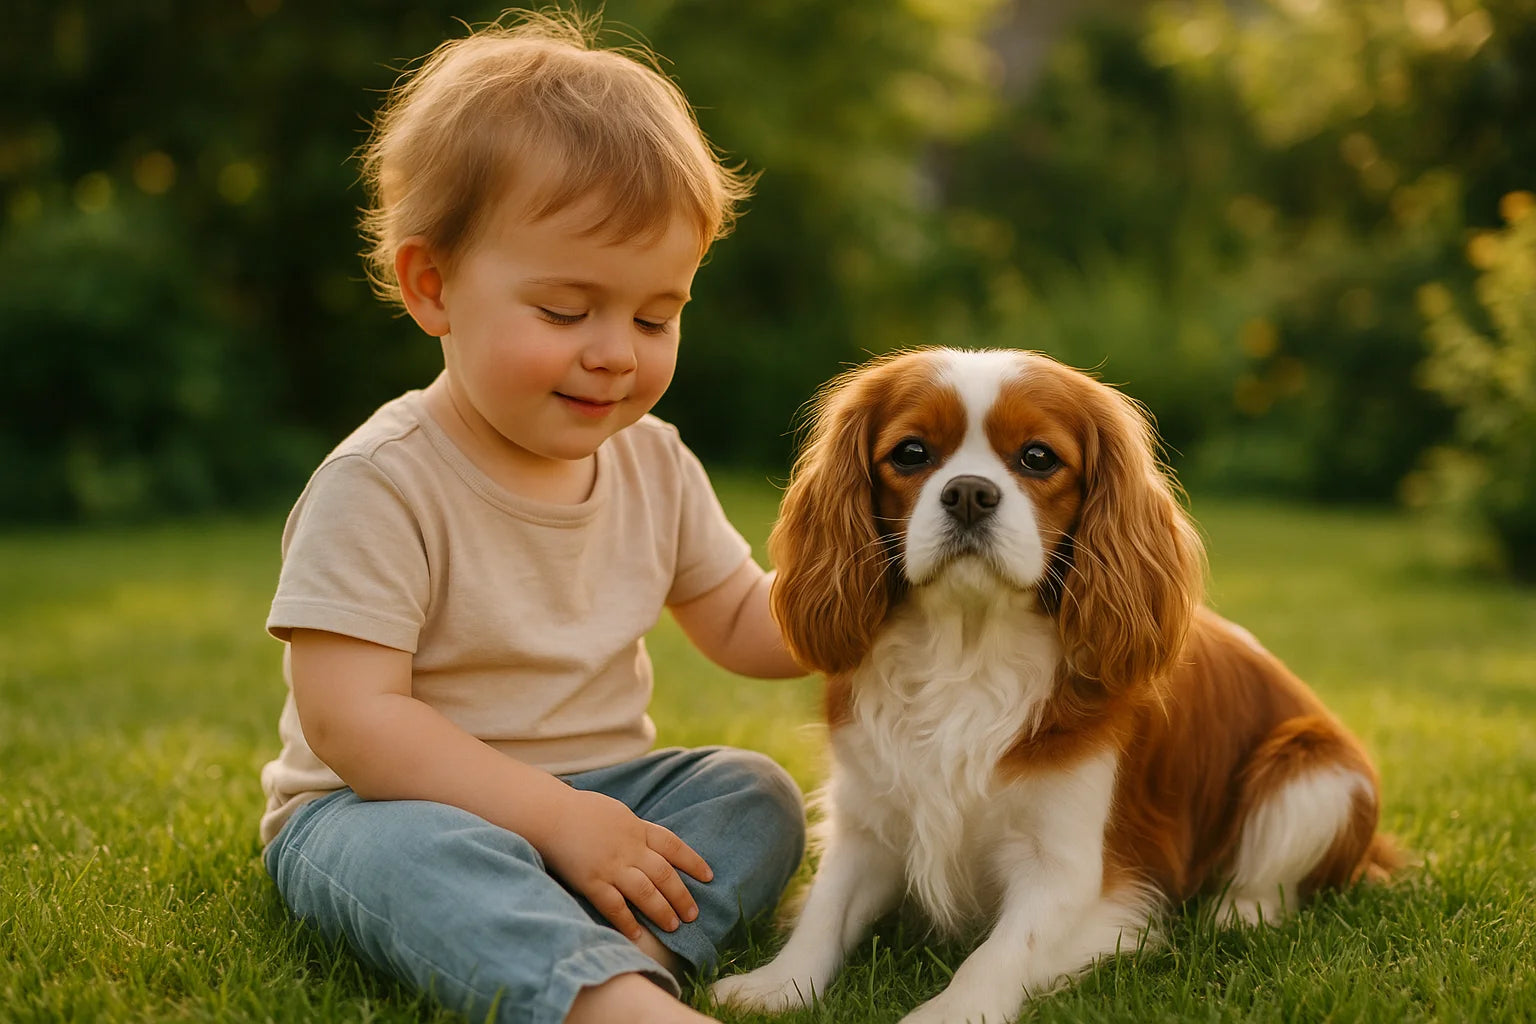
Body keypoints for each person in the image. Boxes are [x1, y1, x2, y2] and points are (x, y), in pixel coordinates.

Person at [257, 12, 807, 1024]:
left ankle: (627, 945)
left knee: (752, 793)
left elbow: (738, 618)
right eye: (565, 311)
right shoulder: (383, 481)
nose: (614, 352)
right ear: (434, 287)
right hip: (391, 807)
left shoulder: (655, 461)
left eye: (654, 317)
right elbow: (354, 722)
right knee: (415, 858)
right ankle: (604, 998)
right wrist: (552, 818)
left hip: (604, 792)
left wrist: (874, 600)